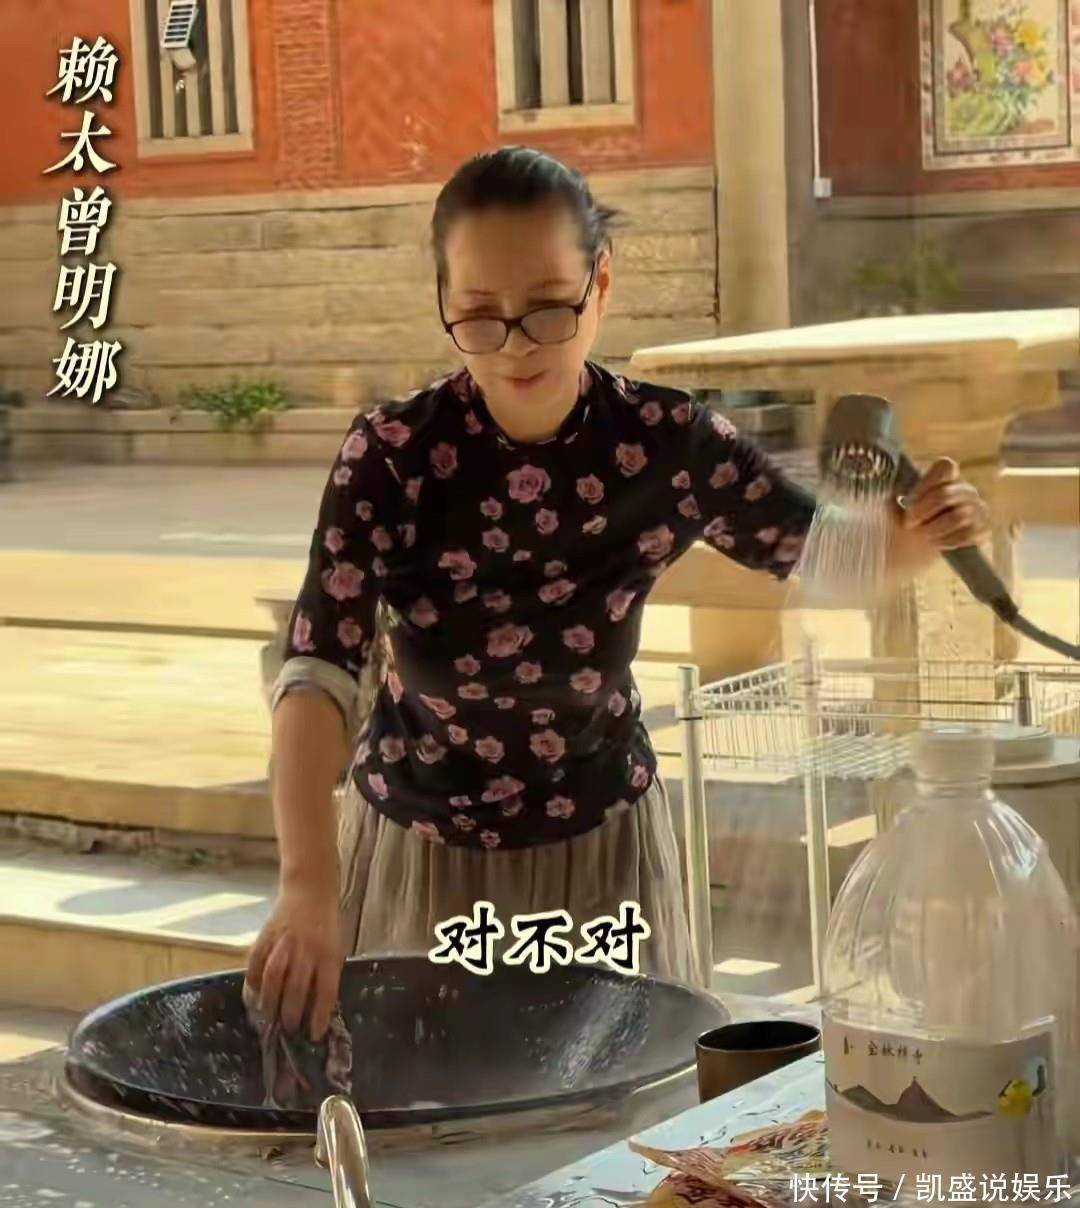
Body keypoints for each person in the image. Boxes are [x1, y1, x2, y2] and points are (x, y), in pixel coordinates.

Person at [246, 146, 990, 1041]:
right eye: (478, 315)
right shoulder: (393, 455)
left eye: (548, 307)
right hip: (420, 851)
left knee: (613, 1106)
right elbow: (318, 666)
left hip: (603, 852)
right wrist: (306, 884)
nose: (516, 345)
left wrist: (920, 532)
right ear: (442, 301)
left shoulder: (665, 442)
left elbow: (819, 550)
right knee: (426, 1100)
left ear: (600, 283)